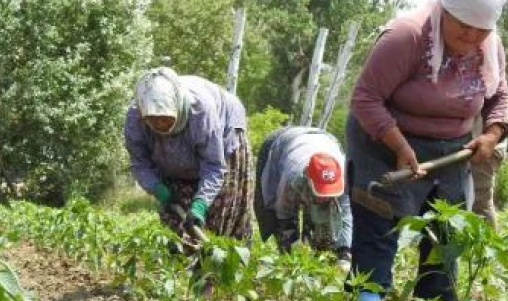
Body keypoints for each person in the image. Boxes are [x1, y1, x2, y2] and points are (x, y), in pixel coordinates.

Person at [347, 0, 508, 301]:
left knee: (446, 232)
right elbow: (365, 98)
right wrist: (400, 146)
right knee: (379, 225)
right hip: (384, 141)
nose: (471, 36)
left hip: (451, 150)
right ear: (445, 12)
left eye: (481, 30)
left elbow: (498, 96)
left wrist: (492, 134)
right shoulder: (407, 36)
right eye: (463, 26)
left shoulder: (489, 45)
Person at [124, 67, 252, 241]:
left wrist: (200, 205)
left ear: (177, 108)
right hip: (174, 161)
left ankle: (214, 262)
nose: (161, 124)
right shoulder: (136, 119)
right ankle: (183, 260)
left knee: (215, 219)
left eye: (166, 117)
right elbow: (140, 164)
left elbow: (213, 166)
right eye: (154, 119)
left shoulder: (201, 112)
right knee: (175, 221)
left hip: (222, 136)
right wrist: (159, 189)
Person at [254, 126, 352, 271]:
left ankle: (319, 261)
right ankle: (285, 264)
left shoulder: (345, 176)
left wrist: (344, 253)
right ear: (307, 179)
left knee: (324, 229)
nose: (324, 199)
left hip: (325, 138)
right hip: (282, 143)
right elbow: (284, 214)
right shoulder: (293, 176)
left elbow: (345, 214)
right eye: (320, 193)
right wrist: (293, 251)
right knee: (270, 214)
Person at [468, 115, 506, 228]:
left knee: (479, 204)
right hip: (473, 143)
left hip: (483, 145)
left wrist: (492, 135)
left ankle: (488, 244)